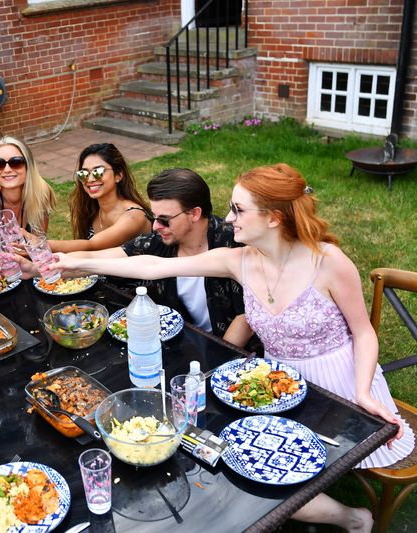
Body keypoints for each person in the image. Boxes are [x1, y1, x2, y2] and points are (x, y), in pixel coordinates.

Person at [54, 163, 414, 532]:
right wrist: (72, 262)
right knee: (241, 468)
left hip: (340, 386)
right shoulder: (239, 261)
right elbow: (149, 266)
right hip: (274, 387)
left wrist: (363, 392)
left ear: (273, 218)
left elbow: (365, 333)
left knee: (274, 475)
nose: (228, 218)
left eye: (238, 210)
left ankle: (348, 515)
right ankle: (353, 518)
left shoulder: (328, 262)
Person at [27, 168, 252, 348]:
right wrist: (36, 267)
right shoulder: (159, 241)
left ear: (195, 213)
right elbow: (97, 258)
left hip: (227, 352)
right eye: (154, 217)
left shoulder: (233, 241)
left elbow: (248, 315)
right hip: (180, 342)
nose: (155, 226)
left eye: (164, 219)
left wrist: (213, 360)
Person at [48, 143, 151, 253]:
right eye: (84, 173)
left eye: (98, 172)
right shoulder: (91, 210)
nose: (90, 179)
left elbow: (92, 246)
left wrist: (44, 245)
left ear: (118, 176)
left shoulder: (133, 216)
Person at [0, 136, 56, 238]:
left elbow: (39, 242)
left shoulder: (41, 193)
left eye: (16, 162)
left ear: (28, 165)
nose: (7, 170)